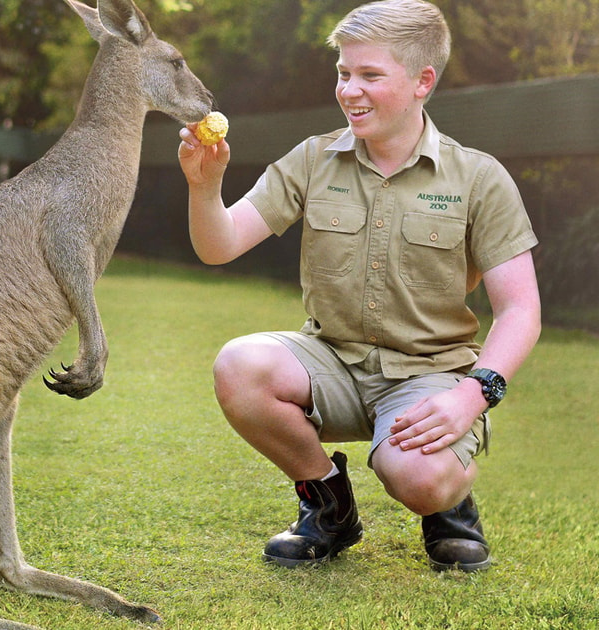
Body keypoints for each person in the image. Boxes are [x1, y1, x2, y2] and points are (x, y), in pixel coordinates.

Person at [176, 0, 541, 572]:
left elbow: (520, 309)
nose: (349, 90)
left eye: (370, 75)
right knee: (238, 364)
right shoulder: (314, 159)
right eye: (344, 73)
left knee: (418, 478)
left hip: (431, 373)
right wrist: (205, 186)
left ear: (423, 81)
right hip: (332, 361)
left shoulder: (478, 177)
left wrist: (472, 395)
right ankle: (328, 506)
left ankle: (449, 503)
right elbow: (218, 245)